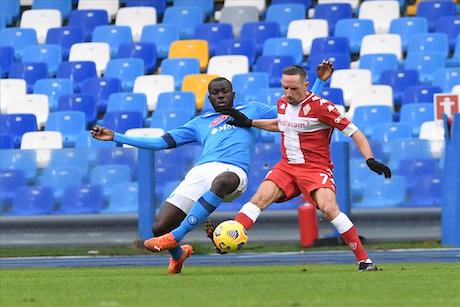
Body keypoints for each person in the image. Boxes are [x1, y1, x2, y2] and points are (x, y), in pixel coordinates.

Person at [91, 63, 333, 274]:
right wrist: (116, 136)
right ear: (209, 98)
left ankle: (177, 236)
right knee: (159, 225)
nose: (220, 96)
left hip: (234, 172)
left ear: (233, 94)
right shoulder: (200, 123)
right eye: (214, 93)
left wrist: (321, 83)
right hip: (201, 172)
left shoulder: (252, 110)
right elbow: (160, 142)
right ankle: (178, 255)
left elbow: (301, 111)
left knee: (223, 180)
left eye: (224, 92)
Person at [208, 65, 391, 272]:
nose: (288, 93)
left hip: (315, 169)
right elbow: (281, 124)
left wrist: (370, 159)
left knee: (330, 209)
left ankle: (364, 260)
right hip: (286, 167)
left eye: (293, 89)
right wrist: (250, 122)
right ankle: (228, 239)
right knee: (259, 198)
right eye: (285, 88)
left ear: (305, 85)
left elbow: (354, 132)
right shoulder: (283, 104)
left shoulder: (323, 107)